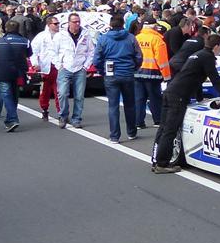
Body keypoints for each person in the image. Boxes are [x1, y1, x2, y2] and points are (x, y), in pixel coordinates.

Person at [152, 33, 220, 173]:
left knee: (163, 128)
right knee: (170, 130)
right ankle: (162, 164)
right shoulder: (208, 58)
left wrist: (200, 99)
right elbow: (215, 79)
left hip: (171, 90)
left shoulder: (198, 54)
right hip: (179, 96)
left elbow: (196, 79)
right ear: (216, 46)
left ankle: (156, 160)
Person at [95, 14, 142, 144]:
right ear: (123, 25)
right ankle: (131, 131)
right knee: (130, 104)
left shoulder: (103, 39)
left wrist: (102, 70)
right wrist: (134, 67)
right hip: (127, 72)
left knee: (113, 106)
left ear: (110, 25)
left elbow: (97, 59)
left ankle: (114, 135)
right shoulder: (131, 38)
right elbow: (139, 56)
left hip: (111, 74)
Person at [54, 11, 95, 129]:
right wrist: (59, 65)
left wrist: (85, 66)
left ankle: (76, 118)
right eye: (74, 22)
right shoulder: (61, 35)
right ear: (69, 23)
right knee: (62, 93)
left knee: (79, 95)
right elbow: (53, 51)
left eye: (78, 22)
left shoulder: (86, 35)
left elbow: (91, 52)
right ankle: (63, 115)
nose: (77, 24)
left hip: (79, 68)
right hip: (65, 67)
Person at [0, 19, 33, 133]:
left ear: (6, 29)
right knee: (14, 93)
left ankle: (12, 118)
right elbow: (30, 53)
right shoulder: (25, 41)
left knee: (6, 94)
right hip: (19, 71)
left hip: (3, 70)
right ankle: (11, 118)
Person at [134, 18, 171, 130]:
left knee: (139, 98)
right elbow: (162, 61)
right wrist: (167, 76)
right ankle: (158, 120)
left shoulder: (136, 38)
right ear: (155, 27)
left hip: (137, 72)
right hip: (152, 72)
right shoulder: (158, 40)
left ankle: (138, 122)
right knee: (155, 98)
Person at [29, 16, 62, 122]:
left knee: (60, 91)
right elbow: (33, 51)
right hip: (45, 67)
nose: (58, 26)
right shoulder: (41, 36)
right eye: (55, 24)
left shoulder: (62, 36)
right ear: (49, 25)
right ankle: (44, 109)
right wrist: (35, 63)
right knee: (45, 91)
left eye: (58, 23)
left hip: (58, 66)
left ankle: (61, 112)